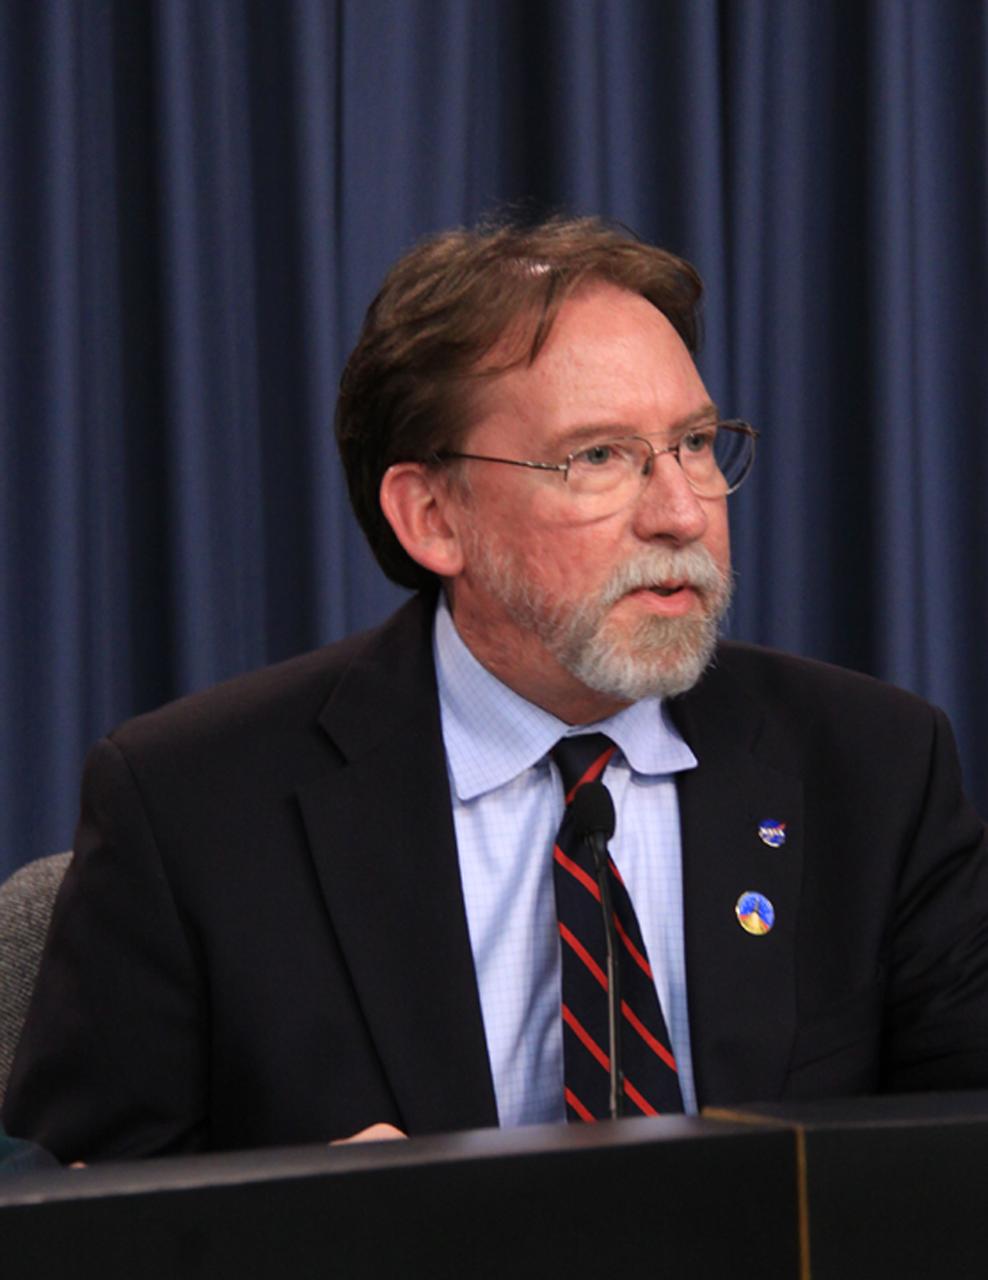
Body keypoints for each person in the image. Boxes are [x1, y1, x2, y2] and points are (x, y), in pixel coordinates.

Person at [5, 217, 988, 1162]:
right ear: (433, 516)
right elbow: (81, 1212)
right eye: (598, 456)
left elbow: (955, 1161)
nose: (682, 511)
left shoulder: (876, 768)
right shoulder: (192, 806)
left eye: (694, 443)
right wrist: (288, 1228)